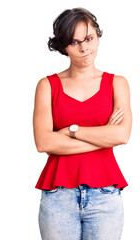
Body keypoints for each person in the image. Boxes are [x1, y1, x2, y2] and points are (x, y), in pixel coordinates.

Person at [33, 7, 132, 240]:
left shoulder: (117, 83)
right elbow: (44, 142)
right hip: (58, 196)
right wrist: (103, 136)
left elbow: (122, 135)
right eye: (74, 42)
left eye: (88, 38)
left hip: (105, 195)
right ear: (63, 47)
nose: (84, 48)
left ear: (97, 36)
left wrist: (71, 132)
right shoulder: (47, 86)